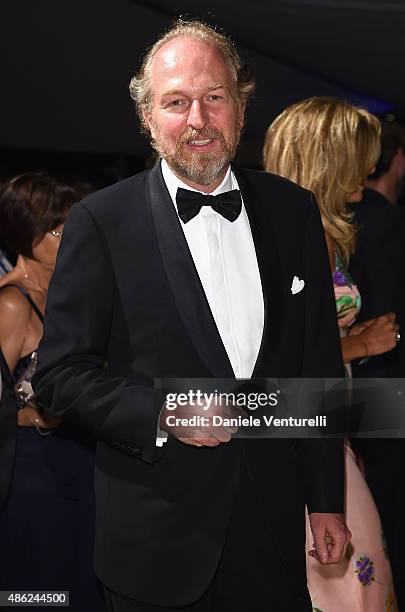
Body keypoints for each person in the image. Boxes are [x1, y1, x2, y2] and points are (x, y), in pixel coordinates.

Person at [33, 21, 350, 612]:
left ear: (241, 102)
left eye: (214, 97)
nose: (197, 120)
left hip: (273, 534)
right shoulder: (102, 221)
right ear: (148, 118)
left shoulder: (293, 211)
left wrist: (326, 500)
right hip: (157, 543)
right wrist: (163, 411)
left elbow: (317, 370)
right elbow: (58, 375)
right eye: (176, 102)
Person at [264, 96, 398, 611]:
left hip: (326, 426)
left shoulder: (302, 229)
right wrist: (363, 343)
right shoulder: (307, 235)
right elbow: (280, 356)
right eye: (357, 172)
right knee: (354, 584)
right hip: (302, 428)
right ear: (327, 164)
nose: (363, 186)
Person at [0, 172, 105, 611]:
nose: (69, 237)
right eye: (57, 229)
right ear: (27, 235)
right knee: (38, 595)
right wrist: (29, 415)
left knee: (81, 588)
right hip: (31, 473)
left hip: (78, 463)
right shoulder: (10, 303)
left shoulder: (63, 294)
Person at [348, 120, 405, 606]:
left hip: (354, 388)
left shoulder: (347, 218)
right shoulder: (383, 219)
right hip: (380, 388)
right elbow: (389, 319)